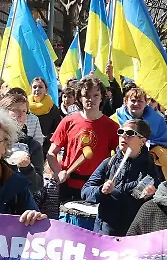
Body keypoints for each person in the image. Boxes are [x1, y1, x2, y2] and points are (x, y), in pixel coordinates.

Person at [82, 119, 163, 236]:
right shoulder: (109, 163)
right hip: (105, 232)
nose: (123, 136)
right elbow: (85, 191)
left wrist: (152, 195)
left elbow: (160, 201)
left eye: (129, 133)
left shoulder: (152, 168)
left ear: (142, 141)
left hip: (134, 234)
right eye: (120, 132)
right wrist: (101, 190)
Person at [47, 76, 119, 204]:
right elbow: (51, 153)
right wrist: (58, 172)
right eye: (86, 95)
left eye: (96, 95)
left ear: (102, 97)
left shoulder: (111, 126)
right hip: (69, 186)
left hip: (97, 187)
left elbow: (120, 156)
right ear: (79, 98)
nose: (91, 99)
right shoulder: (68, 121)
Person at [114, 82, 167, 177]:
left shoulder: (157, 120)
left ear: (146, 103)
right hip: (120, 157)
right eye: (133, 100)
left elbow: (164, 141)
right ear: (125, 102)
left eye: (140, 101)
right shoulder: (115, 119)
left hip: (149, 158)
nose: (136, 104)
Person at [29, 77, 63, 156]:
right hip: (29, 147)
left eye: (40, 87)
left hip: (45, 148)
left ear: (46, 90)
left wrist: (47, 137)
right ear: (31, 89)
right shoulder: (25, 106)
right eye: (34, 87)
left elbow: (58, 129)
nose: (37, 89)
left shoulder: (52, 107)